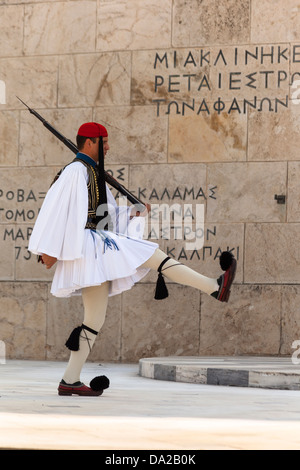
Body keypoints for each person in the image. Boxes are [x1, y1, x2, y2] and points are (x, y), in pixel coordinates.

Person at [28, 122, 236, 397]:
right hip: (88, 248)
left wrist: (133, 214)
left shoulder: (92, 172)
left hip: (95, 247)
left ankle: (70, 380)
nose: (109, 147)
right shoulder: (75, 172)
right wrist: (50, 251)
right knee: (150, 253)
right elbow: (57, 213)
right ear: (90, 142)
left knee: (94, 319)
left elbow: (105, 215)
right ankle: (214, 286)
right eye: (105, 142)